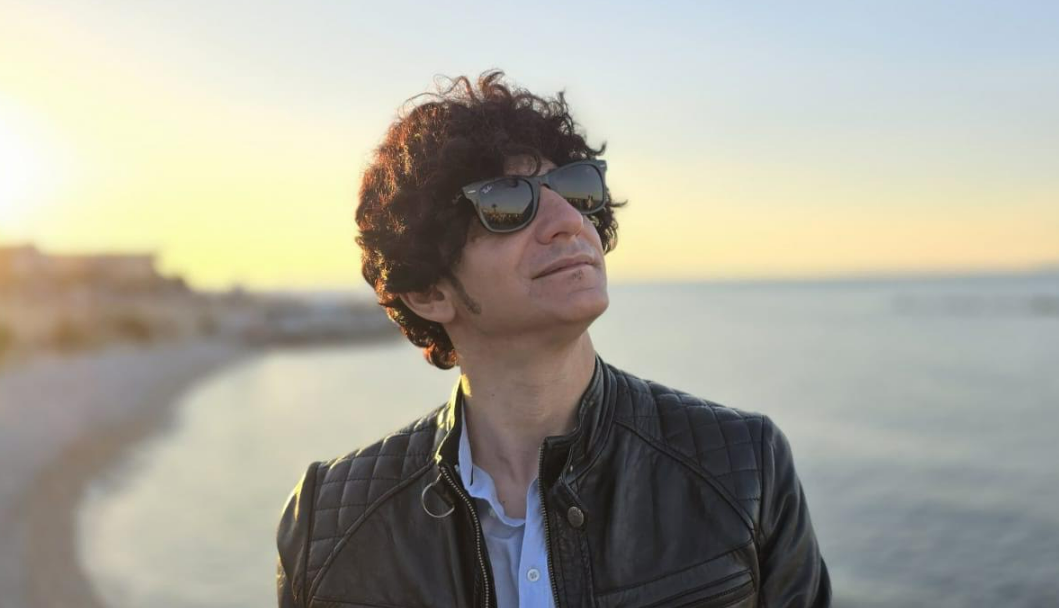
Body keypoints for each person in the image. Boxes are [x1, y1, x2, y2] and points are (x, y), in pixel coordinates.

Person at [276, 70, 830, 608]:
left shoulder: (744, 468)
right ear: (428, 292)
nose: (569, 220)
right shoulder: (328, 525)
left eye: (576, 189)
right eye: (507, 204)